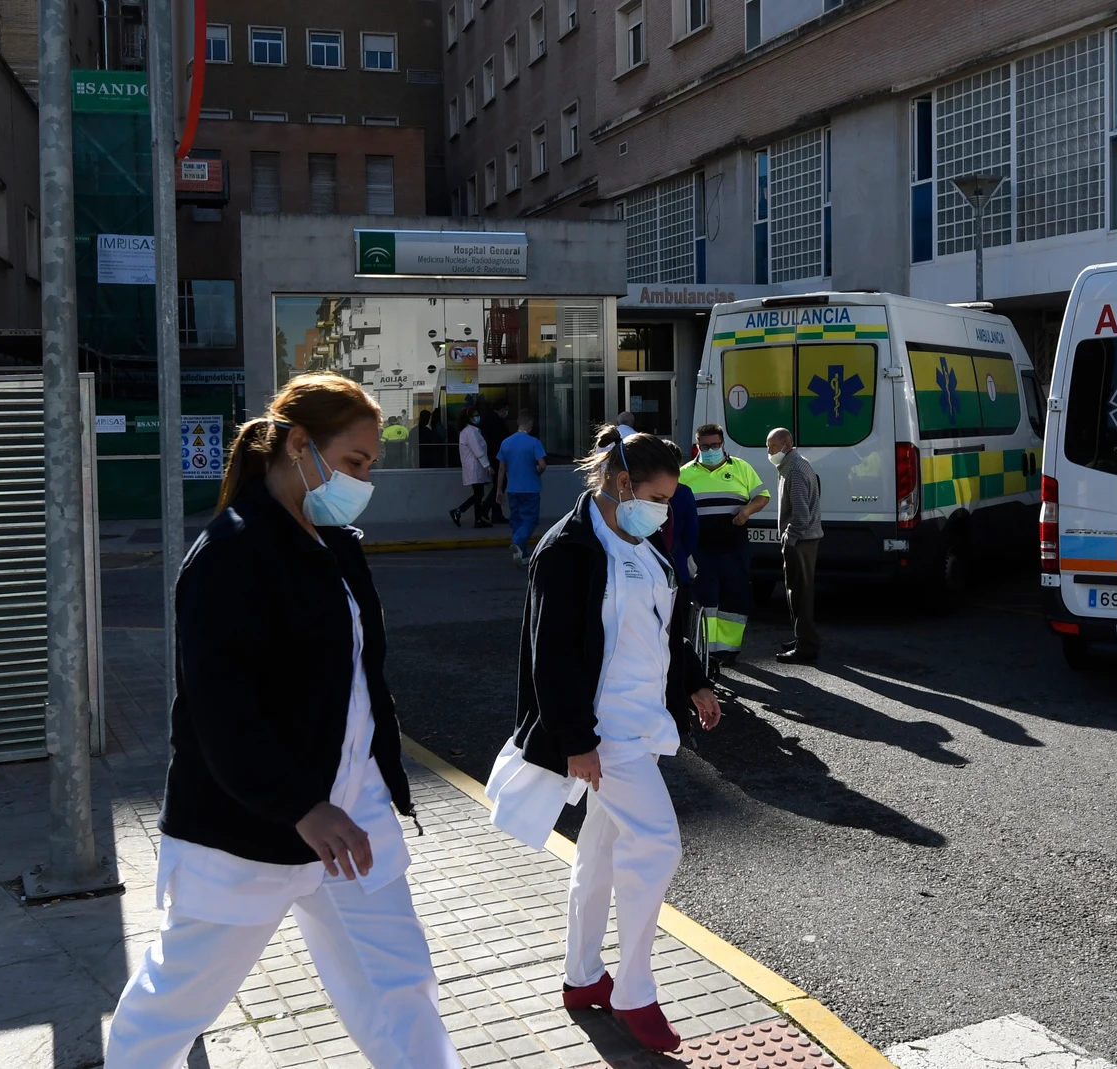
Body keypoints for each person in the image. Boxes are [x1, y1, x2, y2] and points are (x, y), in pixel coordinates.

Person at [104, 373, 458, 1069]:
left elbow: (357, 679)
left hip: (354, 815)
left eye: (369, 467)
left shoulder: (334, 541)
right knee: (178, 998)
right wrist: (301, 804)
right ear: (299, 444)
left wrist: (366, 782)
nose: (364, 480)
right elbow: (219, 707)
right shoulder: (230, 552)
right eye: (355, 462)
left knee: (401, 985)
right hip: (252, 824)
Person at [497, 428, 721, 1053]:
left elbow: (661, 631)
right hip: (603, 732)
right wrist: (574, 739)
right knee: (657, 843)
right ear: (624, 485)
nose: (665, 508)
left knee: (599, 853)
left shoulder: (641, 543)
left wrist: (692, 685)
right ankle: (634, 992)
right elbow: (552, 655)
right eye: (658, 495)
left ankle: (581, 977)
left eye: (670, 499)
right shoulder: (568, 548)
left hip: (640, 723)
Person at [678, 424, 770, 670]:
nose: (710, 450)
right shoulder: (684, 473)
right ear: (698, 445)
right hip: (701, 548)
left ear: (723, 444)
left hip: (734, 547)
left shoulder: (741, 468)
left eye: (715, 445)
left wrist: (747, 511)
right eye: (705, 446)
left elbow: (762, 496)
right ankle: (705, 649)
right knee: (704, 598)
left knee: (735, 596)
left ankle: (728, 651)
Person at [766, 427, 822, 664]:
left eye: (773, 447)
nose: (769, 452)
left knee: (800, 594)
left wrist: (790, 537)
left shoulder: (795, 470)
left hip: (801, 541)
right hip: (803, 539)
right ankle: (802, 639)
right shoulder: (792, 464)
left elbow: (801, 513)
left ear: (786, 445)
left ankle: (806, 648)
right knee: (795, 593)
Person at [495, 409, 548, 566]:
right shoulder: (534, 443)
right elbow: (542, 465)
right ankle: (518, 542)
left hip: (512, 488)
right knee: (530, 519)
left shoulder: (506, 442)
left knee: (517, 520)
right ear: (530, 425)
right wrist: (537, 472)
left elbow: (501, 469)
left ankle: (522, 555)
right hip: (530, 488)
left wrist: (499, 489)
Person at [450, 407, 494, 528]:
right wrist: (487, 466)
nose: (477, 417)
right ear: (469, 418)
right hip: (475, 466)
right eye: (475, 415)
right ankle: (459, 511)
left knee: (479, 494)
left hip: (475, 466)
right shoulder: (470, 431)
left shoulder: (470, 430)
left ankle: (477, 519)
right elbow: (478, 450)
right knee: (478, 494)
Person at [479, 399, 512, 523]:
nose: (507, 412)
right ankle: (486, 507)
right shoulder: (495, 421)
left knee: (500, 484)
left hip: (494, 457)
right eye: (506, 410)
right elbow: (500, 440)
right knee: (501, 483)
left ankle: (496, 513)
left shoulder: (491, 420)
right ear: (502, 409)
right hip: (496, 457)